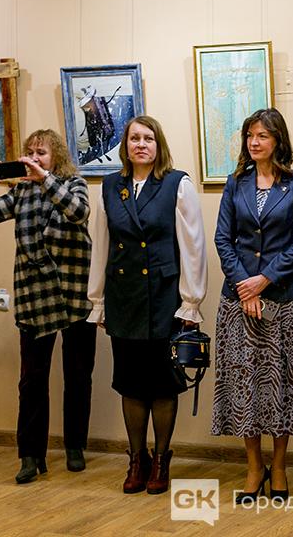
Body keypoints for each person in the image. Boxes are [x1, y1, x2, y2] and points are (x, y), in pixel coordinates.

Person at [88, 115, 207, 496]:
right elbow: (101, 247)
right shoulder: (110, 187)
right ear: (125, 146)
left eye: (148, 138)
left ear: (159, 145)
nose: (141, 144)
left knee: (162, 385)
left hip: (164, 299)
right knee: (131, 384)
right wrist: (98, 301)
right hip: (124, 299)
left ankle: (160, 459)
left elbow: (193, 248)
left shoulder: (176, 184)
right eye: (134, 138)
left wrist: (191, 303)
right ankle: (136, 459)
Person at [0, 129, 95, 484]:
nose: (35, 158)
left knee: (78, 376)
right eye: (30, 152)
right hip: (34, 293)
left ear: (56, 156)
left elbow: (78, 212)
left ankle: (75, 446)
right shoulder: (20, 191)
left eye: (42, 152)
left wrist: (45, 180)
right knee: (32, 380)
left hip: (74, 290)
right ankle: (30, 454)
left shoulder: (74, 184)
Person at [212, 108, 293, 503]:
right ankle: (253, 466)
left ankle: (278, 466)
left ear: (278, 140)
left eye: (262, 135)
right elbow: (223, 239)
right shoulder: (235, 183)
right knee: (245, 384)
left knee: (282, 386)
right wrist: (245, 286)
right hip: (238, 300)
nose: (255, 142)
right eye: (250, 135)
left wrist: (264, 280)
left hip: (284, 299)